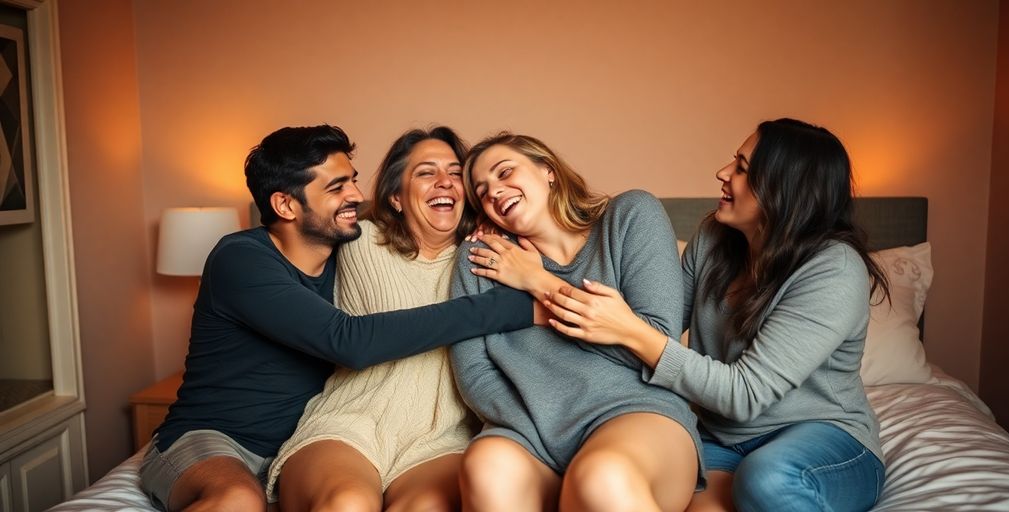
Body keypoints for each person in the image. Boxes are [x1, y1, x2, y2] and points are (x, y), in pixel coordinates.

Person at [138, 124, 540, 512]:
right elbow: (351, 341)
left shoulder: (345, 246)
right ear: (285, 205)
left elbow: (398, 214)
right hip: (217, 439)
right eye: (338, 187)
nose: (355, 195)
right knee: (240, 501)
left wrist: (486, 218)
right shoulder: (242, 259)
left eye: (353, 181)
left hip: (305, 444)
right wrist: (523, 307)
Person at [535, 118, 889, 511]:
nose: (722, 174)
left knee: (768, 478)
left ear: (786, 189)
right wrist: (536, 269)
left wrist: (629, 330)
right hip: (721, 439)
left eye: (741, 168)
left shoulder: (834, 268)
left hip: (825, 436)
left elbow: (745, 393)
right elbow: (649, 325)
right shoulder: (713, 238)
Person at [451, 133, 703, 512]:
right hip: (530, 433)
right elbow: (474, 372)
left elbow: (654, 346)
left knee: (602, 476)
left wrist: (537, 281)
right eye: (482, 191)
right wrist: (546, 424)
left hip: (635, 412)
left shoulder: (630, 216)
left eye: (505, 172)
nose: (495, 192)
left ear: (547, 170)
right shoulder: (481, 257)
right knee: (486, 467)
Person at [267, 126, 481, 511]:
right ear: (396, 196)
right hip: (347, 424)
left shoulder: (486, 258)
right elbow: (295, 234)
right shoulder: (354, 236)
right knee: (348, 503)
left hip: (441, 438)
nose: (445, 182)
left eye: (455, 172)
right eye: (426, 172)